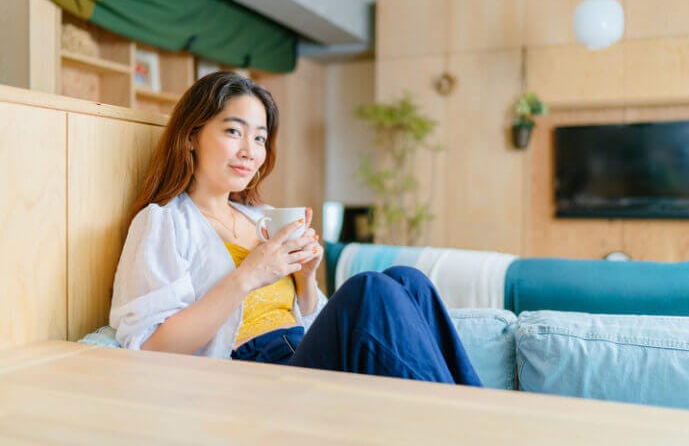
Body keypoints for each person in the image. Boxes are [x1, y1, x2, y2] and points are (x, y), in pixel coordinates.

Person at [110, 72, 482, 387]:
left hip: (302, 354)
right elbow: (149, 347)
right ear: (191, 136)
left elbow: (307, 319)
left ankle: (481, 413)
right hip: (253, 377)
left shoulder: (262, 218)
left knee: (408, 280)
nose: (250, 150)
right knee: (368, 289)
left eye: (259, 137)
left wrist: (305, 279)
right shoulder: (164, 222)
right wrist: (249, 275)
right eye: (233, 131)